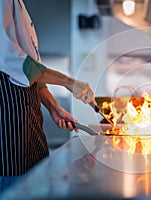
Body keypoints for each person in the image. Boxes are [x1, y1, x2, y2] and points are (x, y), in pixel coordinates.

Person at [0, 0, 97, 193]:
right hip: (7, 119)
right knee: (14, 186)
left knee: (36, 176)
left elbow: (31, 61)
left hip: (28, 113)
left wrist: (53, 106)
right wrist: (68, 81)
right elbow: (13, 62)